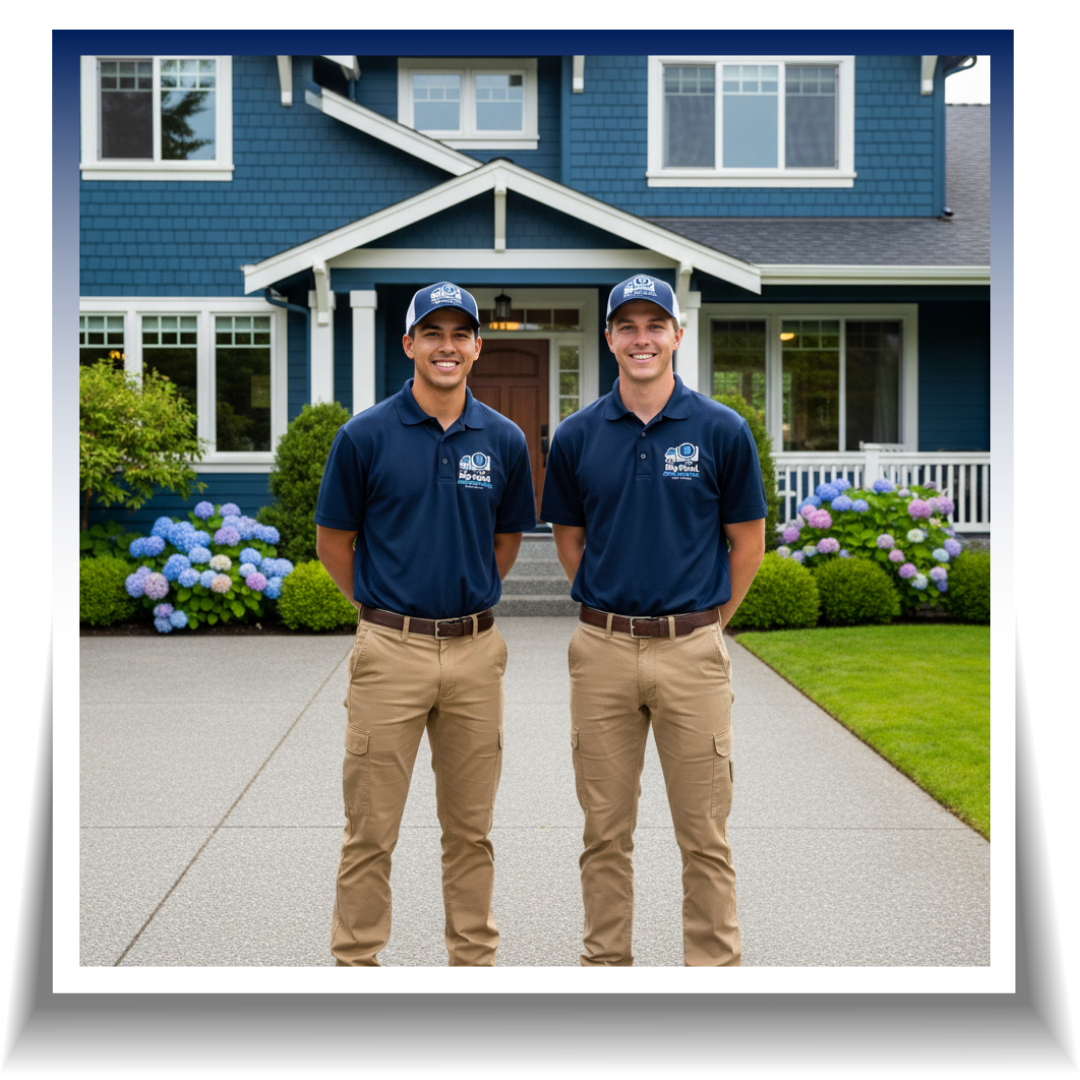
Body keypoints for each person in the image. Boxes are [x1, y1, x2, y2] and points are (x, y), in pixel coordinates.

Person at [540, 273, 767, 967]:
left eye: (654, 325)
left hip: (692, 650)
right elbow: (569, 540)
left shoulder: (721, 429)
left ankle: (713, 961)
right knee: (604, 831)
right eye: (628, 326)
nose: (642, 339)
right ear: (609, 338)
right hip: (601, 650)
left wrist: (704, 622)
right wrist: (611, 609)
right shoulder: (577, 436)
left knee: (704, 833)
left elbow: (747, 540)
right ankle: (606, 958)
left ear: (676, 334)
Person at [315, 281, 537, 967]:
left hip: (475, 654)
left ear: (477, 346)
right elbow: (333, 542)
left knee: (471, 831)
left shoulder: (502, 440)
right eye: (432, 333)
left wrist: (460, 601)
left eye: (460, 334)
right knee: (370, 831)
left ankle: (472, 957)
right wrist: (386, 611)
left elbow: (505, 544)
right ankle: (358, 958)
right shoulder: (364, 436)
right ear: (408, 343)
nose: (447, 346)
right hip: (389, 652)